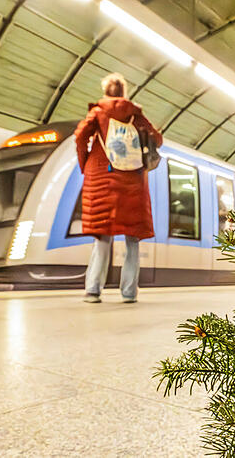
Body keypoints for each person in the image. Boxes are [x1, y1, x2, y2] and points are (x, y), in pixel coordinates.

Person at [74, 73, 163, 303]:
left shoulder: (97, 112)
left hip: (101, 176)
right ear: (124, 93)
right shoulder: (135, 113)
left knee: (102, 237)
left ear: (106, 92)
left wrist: (86, 163)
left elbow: (80, 136)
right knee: (132, 239)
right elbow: (157, 139)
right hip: (132, 179)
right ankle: (129, 292)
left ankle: (93, 290)